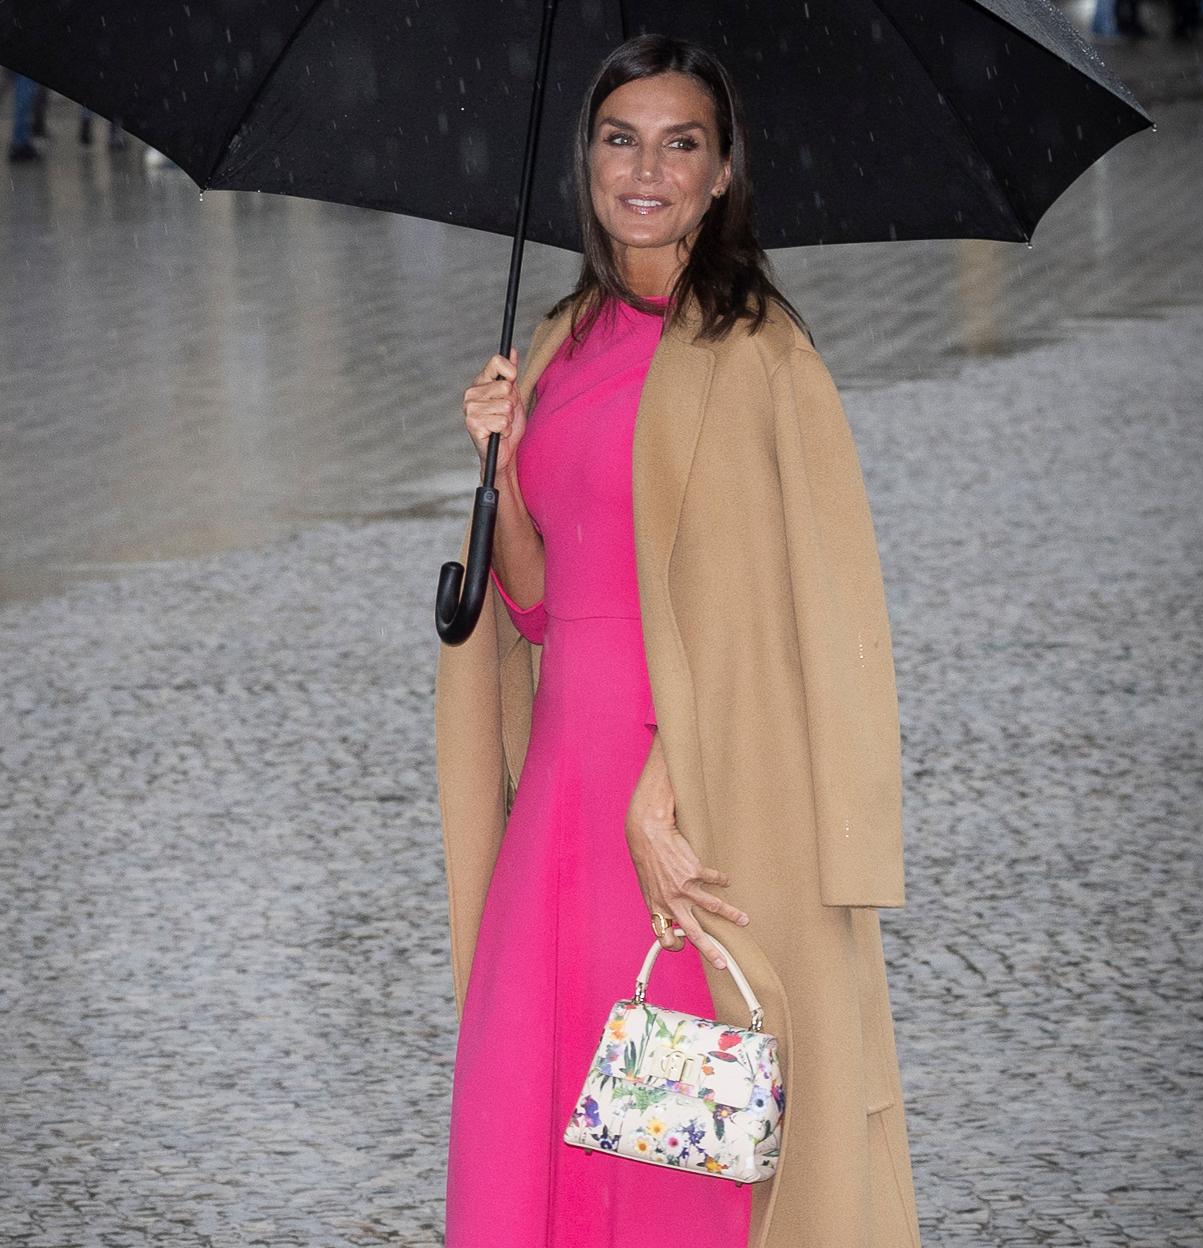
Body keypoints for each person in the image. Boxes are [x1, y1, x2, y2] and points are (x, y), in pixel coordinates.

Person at [435, 34, 921, 1248]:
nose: (645, 169)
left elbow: (774, 617)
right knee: (537, 1107)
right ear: (588, 163)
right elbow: (542, 609)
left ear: (719, 174)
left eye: (679, 144)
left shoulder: (757, 354)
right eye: (619, 139)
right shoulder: (559, 338)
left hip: (696, 803)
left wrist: (670, 787)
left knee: (681, 1133)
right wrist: (494, 467)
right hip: (562, 794)